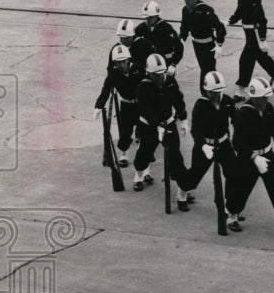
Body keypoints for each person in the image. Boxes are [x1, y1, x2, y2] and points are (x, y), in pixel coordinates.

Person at [225, 76, 274, 234]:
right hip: (248, 158)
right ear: (254, 98)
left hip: (267, 153)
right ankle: (232, 215)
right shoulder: (243, 114)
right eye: (262, 98)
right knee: (241, 188)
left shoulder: (268, 108)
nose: (266, 100)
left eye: (267, 97)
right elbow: (237, 142)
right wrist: (253, 157)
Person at [179, 70, 238, 215]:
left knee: (233, 174)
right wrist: (203, 145)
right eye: (213, 92)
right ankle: (182, 193)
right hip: (205, 145)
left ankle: (230, 207)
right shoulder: (200, 105)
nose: (217, 95)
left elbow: (236, 118)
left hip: (223, 144)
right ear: (206, 91)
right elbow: (196, 130)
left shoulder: (227, 101)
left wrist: (237, 133)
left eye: (219, 92)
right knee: (194, 176)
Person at [132, 53, 190, 195]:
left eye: (161, 74)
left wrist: (183, 119)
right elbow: (146, 110)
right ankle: (139, 174)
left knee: (175, 155)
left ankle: (183, 188)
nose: (159, 78)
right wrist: (157, 126)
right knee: (144, 153)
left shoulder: (170, 82)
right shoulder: (143, 87)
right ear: (148, 73)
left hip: (168, 122)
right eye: (154, 75)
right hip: (148, 125)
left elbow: (178, 100)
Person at [93, 43, 143, 168]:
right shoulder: (113, 75)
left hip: (141, 105)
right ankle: (124, 154)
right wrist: (98, 106)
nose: (121, 65)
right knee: (125, 132)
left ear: (128, 60)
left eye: (123, 61)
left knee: (143, 131)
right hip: (126, 105)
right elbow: (105, 90)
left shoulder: (138, 69)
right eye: (118, 62)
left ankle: (142, 158)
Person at [178, 0, 226, 93]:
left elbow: (220, 28)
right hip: (196, 45)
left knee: (206, 71)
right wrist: (181, 39)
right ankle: (215, 90)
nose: (186, 1)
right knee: (208, 70)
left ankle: (205, 94)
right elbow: (184, 26)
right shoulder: (185, 10)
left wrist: (219, 44)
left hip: (208, 46)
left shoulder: (206, 10)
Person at [136, 1, 184, 77]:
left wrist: (173, 64)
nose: (148, 20)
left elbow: (179, 47)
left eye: (151, 17)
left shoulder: (166, 28)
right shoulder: (142, 27)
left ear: (156, 16)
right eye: (146, 18)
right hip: (150, 63)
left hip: (166, 62)